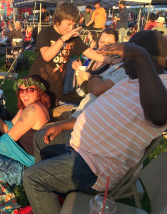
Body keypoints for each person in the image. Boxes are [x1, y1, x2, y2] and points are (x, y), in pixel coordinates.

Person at [23, 30, 167, 214]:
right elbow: (99, 112)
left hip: (98, 166)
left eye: (128, 58)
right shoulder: (131, 80)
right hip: (81, 146)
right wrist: (63, 125)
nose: (123, 62)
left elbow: (159, 115)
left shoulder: (160, 90)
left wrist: (140, 55)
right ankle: (53, 195)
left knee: (33, 178)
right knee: (40, 138)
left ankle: (45, 189)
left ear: (149, 59)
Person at [29, 2, 119, 108]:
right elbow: (47, 56)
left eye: (73, 25)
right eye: (68, 24)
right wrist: (63, 39)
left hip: (55, 88)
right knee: (33, 113)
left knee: (49, 118)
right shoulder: (46, 32)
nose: (71, 28)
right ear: (58, 21)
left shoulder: (73, 38)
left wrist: (111, 61)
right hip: (38, 83)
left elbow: (90, 52)